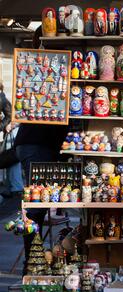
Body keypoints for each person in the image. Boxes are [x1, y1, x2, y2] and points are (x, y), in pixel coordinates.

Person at [15, 26, 69, 275]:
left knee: (44, 204)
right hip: (36, 143)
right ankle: (33, 262)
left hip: (46, 144)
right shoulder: (39, 65)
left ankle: (38, 259)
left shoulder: (61, 65)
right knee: (36, 205)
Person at [0, 83, 23, 201]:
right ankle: (12, 187)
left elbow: (11, 116)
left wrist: (4, 126)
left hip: (10, 134)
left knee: (10, 158)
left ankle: (15, 187)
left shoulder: (2, 98)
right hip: (10, 133)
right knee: (9, 159)